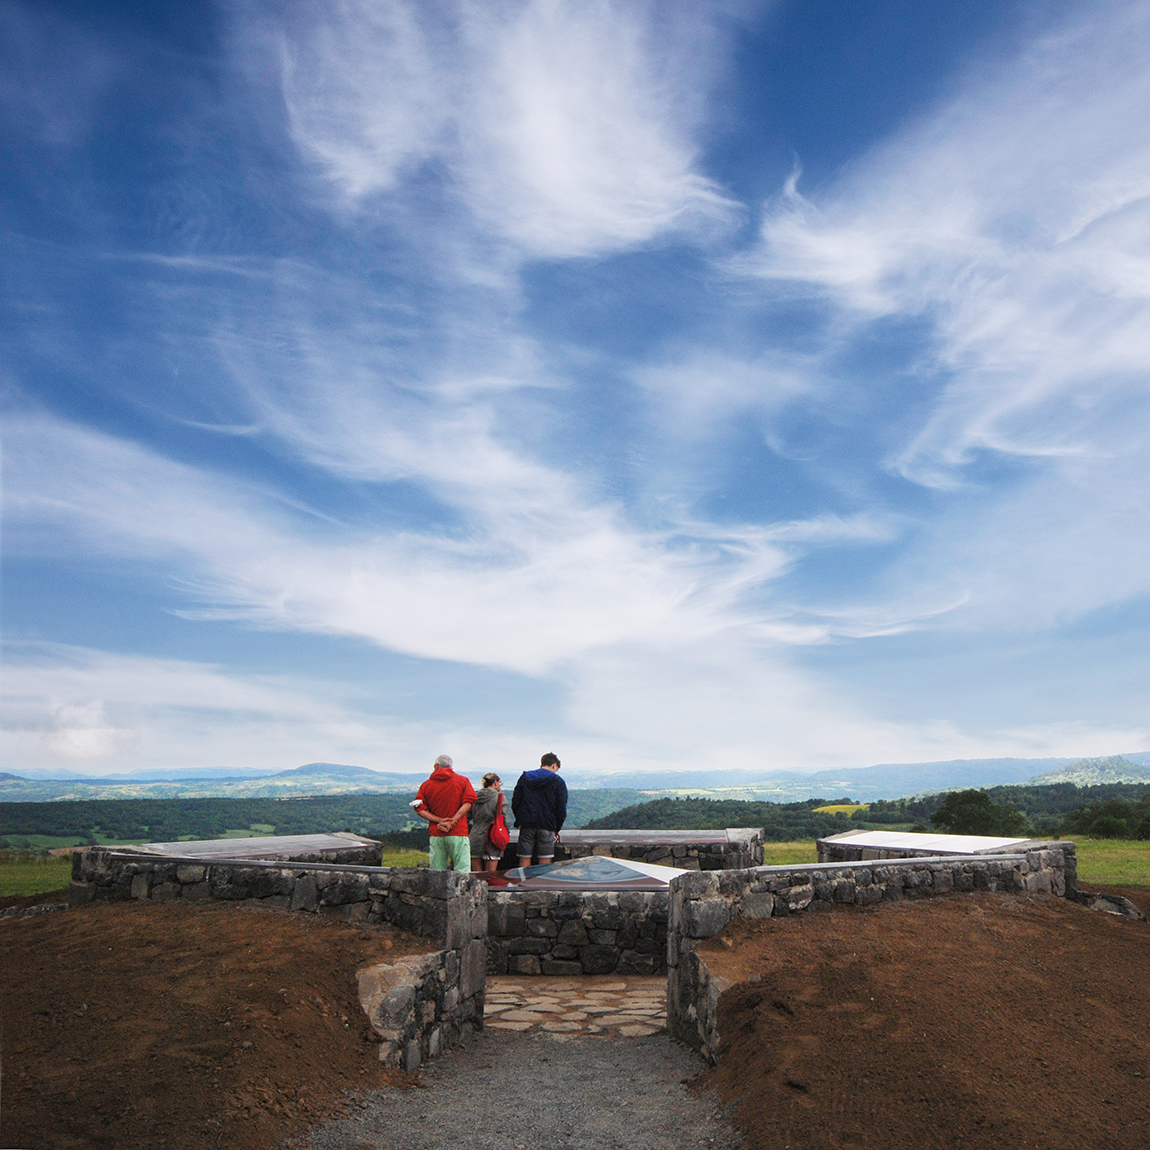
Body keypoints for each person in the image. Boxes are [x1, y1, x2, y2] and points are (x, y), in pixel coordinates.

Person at [413, 754, 476, 871]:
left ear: (437, 766)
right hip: (458, 831)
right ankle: (460, 889)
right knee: (462, 868)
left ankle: (437, 889)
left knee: (437, 870)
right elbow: (468, 802)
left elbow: (420, 809)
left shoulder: (426, 785)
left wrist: (440, 820)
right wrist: (453, 820)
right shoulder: (463, 781)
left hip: (437, 832)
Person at [511, 752, 567, 867]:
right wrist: (557, 827)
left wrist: (521, 818)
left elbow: (516, 801)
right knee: (545, 859)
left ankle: (524, 883)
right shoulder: (558, 781)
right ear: (554, 765)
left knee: (524, 857)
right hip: (547, 824)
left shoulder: (525, 778)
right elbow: (561, 807)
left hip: (527, 823)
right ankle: (542, 884)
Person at [469, 773, 505, 873]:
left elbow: (467, 816)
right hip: (493, 836)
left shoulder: (474, 797)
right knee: (490, 874)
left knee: (477, 874)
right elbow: (504, 819)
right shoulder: (499, 798)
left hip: (475, 835)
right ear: (495, 782)